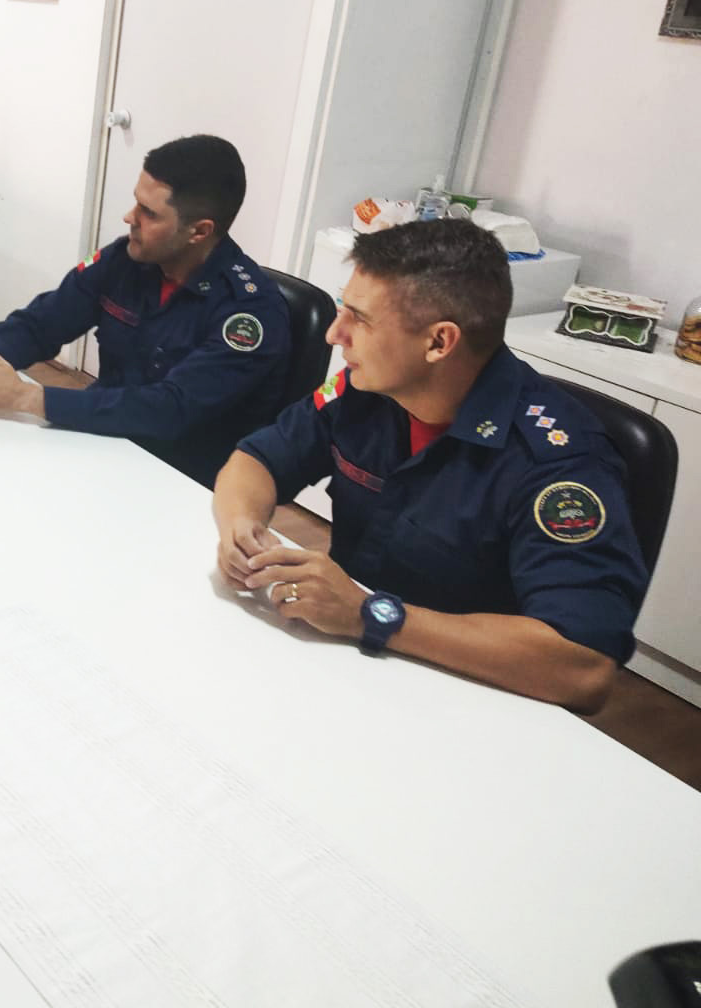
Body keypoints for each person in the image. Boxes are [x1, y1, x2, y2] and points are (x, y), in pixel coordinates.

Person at [213, 219, 648, 713]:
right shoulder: (367, 394)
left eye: (359, 318)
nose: (336, 334)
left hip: (470, 701)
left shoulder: (558, 462)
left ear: (439, 342)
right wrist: (241, 527)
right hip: (347, 672)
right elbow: (256, 460)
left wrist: (370, 615)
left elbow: (584, 667)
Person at [0, 134, 290, 487]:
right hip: (96, 446)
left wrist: (27, 397)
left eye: (149, 213)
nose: (130, 217)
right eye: (136, 203)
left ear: (199, 232)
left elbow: (167, 411)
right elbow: (42, 323)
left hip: (174, 483)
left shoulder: (249, 315)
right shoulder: (128, 259)